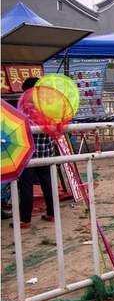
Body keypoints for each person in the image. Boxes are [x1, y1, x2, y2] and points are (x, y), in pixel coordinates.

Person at [17, 77, 57, 229]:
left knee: (26, 185)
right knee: (47, 183)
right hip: (46, 153)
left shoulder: (25, 109)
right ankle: (52, 213)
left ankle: (25, 220)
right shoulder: (49, 107)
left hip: (29, 155)